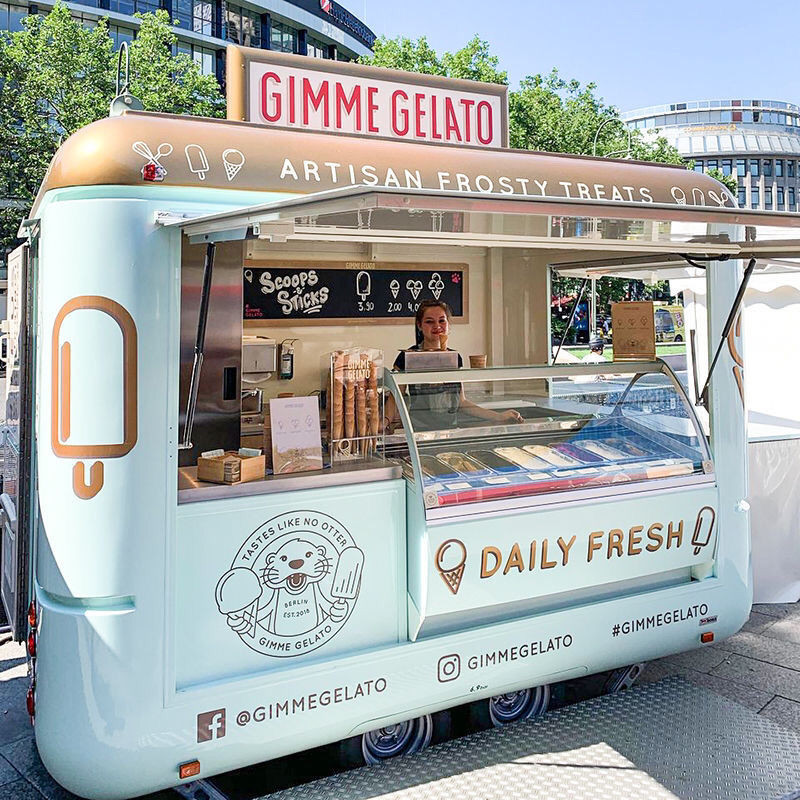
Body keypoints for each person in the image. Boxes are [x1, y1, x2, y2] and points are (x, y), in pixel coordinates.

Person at [385, 299, 523, 430]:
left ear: (448, 324)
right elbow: (395, 397)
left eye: (441, 321)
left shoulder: (455, 358)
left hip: (450, 431)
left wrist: (499, 416)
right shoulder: (407, 357)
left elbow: (461, 402)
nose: (437, 326)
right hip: (418, 432)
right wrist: (383, 422)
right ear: (419, 325)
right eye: (429, 321)